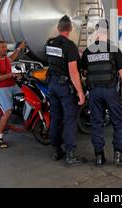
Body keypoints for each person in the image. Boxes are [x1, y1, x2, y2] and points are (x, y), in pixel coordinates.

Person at [81, 20, 122, 167]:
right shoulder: (113, 48)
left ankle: (99, 157)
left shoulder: (88, 50)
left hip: (95, 92)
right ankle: (117, 155)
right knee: (118, 122)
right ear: (107, 32)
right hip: (110, 91)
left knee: (96, 123)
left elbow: (84, 72)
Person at [45, 15, 86, 166]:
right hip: (64, 87)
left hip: (52, 85)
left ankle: (57, 150)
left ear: (58, 28)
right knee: (70, 120)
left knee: (56, 118)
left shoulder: (49, 43)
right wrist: (80, 92)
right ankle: (71, 155)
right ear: (70, 29)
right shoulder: (70, 46)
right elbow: (73, 72)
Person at [0, 40, 26, 148]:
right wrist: (11, 75)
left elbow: (13, 57)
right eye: (2, 47)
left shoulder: (5, 58)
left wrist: (19, 48)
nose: (4, 49)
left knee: (27, 97)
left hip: (12, 86)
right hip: (1, 88)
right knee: (8, 111)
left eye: (5, 47)